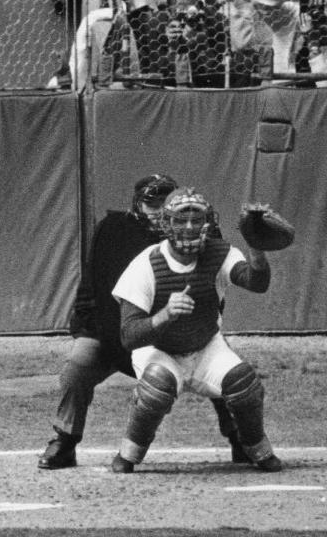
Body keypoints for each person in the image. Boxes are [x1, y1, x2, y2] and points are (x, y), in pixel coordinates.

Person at [108, 185, 285, 474]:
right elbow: (128, 336)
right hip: (159, 349)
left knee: (245, 383)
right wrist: (164, 315)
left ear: (208, 222)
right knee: (157, 386)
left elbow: (257, 283)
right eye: (181, 219)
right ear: (166, 223)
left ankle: (256, 447)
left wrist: (256, 250)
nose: (189, 227)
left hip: (205, 347)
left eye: (196, 219)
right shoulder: (146, 264)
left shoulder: (219, 253)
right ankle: (130, 450)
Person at [38, 173, 179, 471]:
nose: (159, 210)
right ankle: (65, 440)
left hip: (166, 334)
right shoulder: (114, 231)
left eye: (165, 203)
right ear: (138, 205)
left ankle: (242, 439)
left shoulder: (189, 232)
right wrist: (90, 329)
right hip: (112, 330)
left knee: (224, 365)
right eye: (152, 203)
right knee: (78, 364)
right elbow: (91, 284)